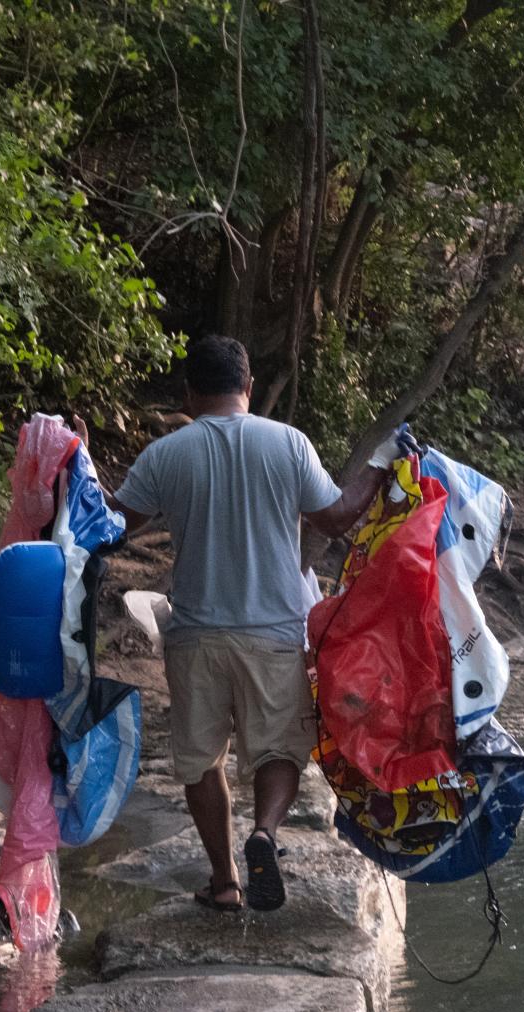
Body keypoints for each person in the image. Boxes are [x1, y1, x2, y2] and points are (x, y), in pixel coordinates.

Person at [77, 335, 396, 912]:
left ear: (190, 395)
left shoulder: (167, 453)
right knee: (277, 753)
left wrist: (78, 460)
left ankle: (225, 881)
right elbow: (338, 516)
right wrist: (380, 468)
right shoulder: (289, 444)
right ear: (248, 388)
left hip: (194, 635)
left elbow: (109, 526)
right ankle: (265, 832)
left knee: (201, 760)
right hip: (275, 633)